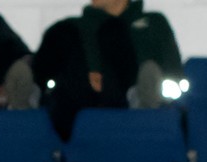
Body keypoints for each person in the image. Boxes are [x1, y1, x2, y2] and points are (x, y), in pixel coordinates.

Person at [32, 0, 185, 138]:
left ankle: (140, 103)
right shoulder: (70, 28)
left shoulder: (154, 22)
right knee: (64, 42)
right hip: (83, 105)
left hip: (140, 102)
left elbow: (174, 73)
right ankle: (27, 103)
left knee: (150, 73)